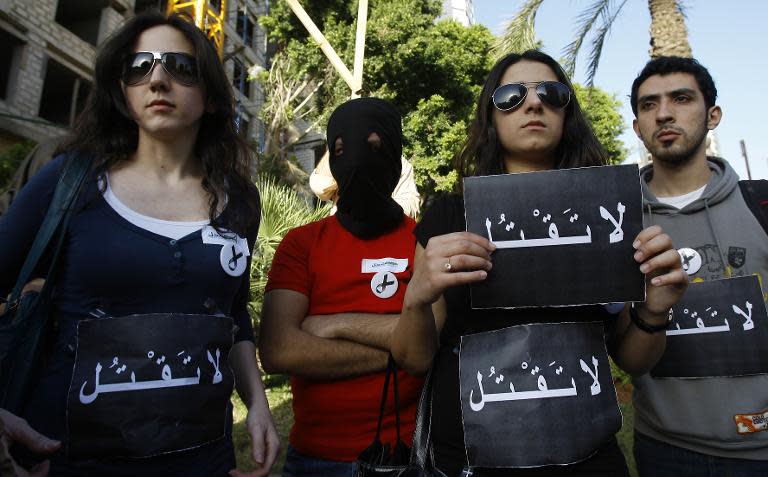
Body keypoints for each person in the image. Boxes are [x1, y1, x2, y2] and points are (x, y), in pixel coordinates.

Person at [0, 11, 278, 476]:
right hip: (67, 458)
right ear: (122, 90)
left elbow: (231, 315)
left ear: (210, 94)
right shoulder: (69, 182)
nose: (158, 80)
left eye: (179, 67)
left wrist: (258, 404)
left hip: (202, 461)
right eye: (140, 66)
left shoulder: (240, 201)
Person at [391, 50, 687, 477]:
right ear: (489, 116)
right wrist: (416, 298)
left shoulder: (608, 217)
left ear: (568, 113)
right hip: (469, 459)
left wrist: (655, 309)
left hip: (588, 459)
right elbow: (413, 359)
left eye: (552, 93)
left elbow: (634, 358)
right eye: (511, 95)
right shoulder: (448, 218)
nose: (533, 104)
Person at [259, 97, 424, 476]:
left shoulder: (424, 242)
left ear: (395, 157)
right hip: (315, 460)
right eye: (340, 149)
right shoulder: (301, 244)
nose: (357, 159)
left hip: (402, 459)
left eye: (375, 146)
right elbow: (279, 351)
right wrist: (404, 352)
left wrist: (335, 324)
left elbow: (431, 341)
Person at [629, 56, 768, 476]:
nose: (665, 113)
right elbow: (626, 349)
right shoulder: (617, 223)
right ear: (638, 127)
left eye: (681, 98)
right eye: (649, 105)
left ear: (713, 115)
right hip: (663, 450)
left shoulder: (760, 204)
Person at [310, 150, 421, 218]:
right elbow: (319, 188)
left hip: (382, 244)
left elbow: (410, 203)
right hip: (342, 241)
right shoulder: (340, 158)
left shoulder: (398, 162)